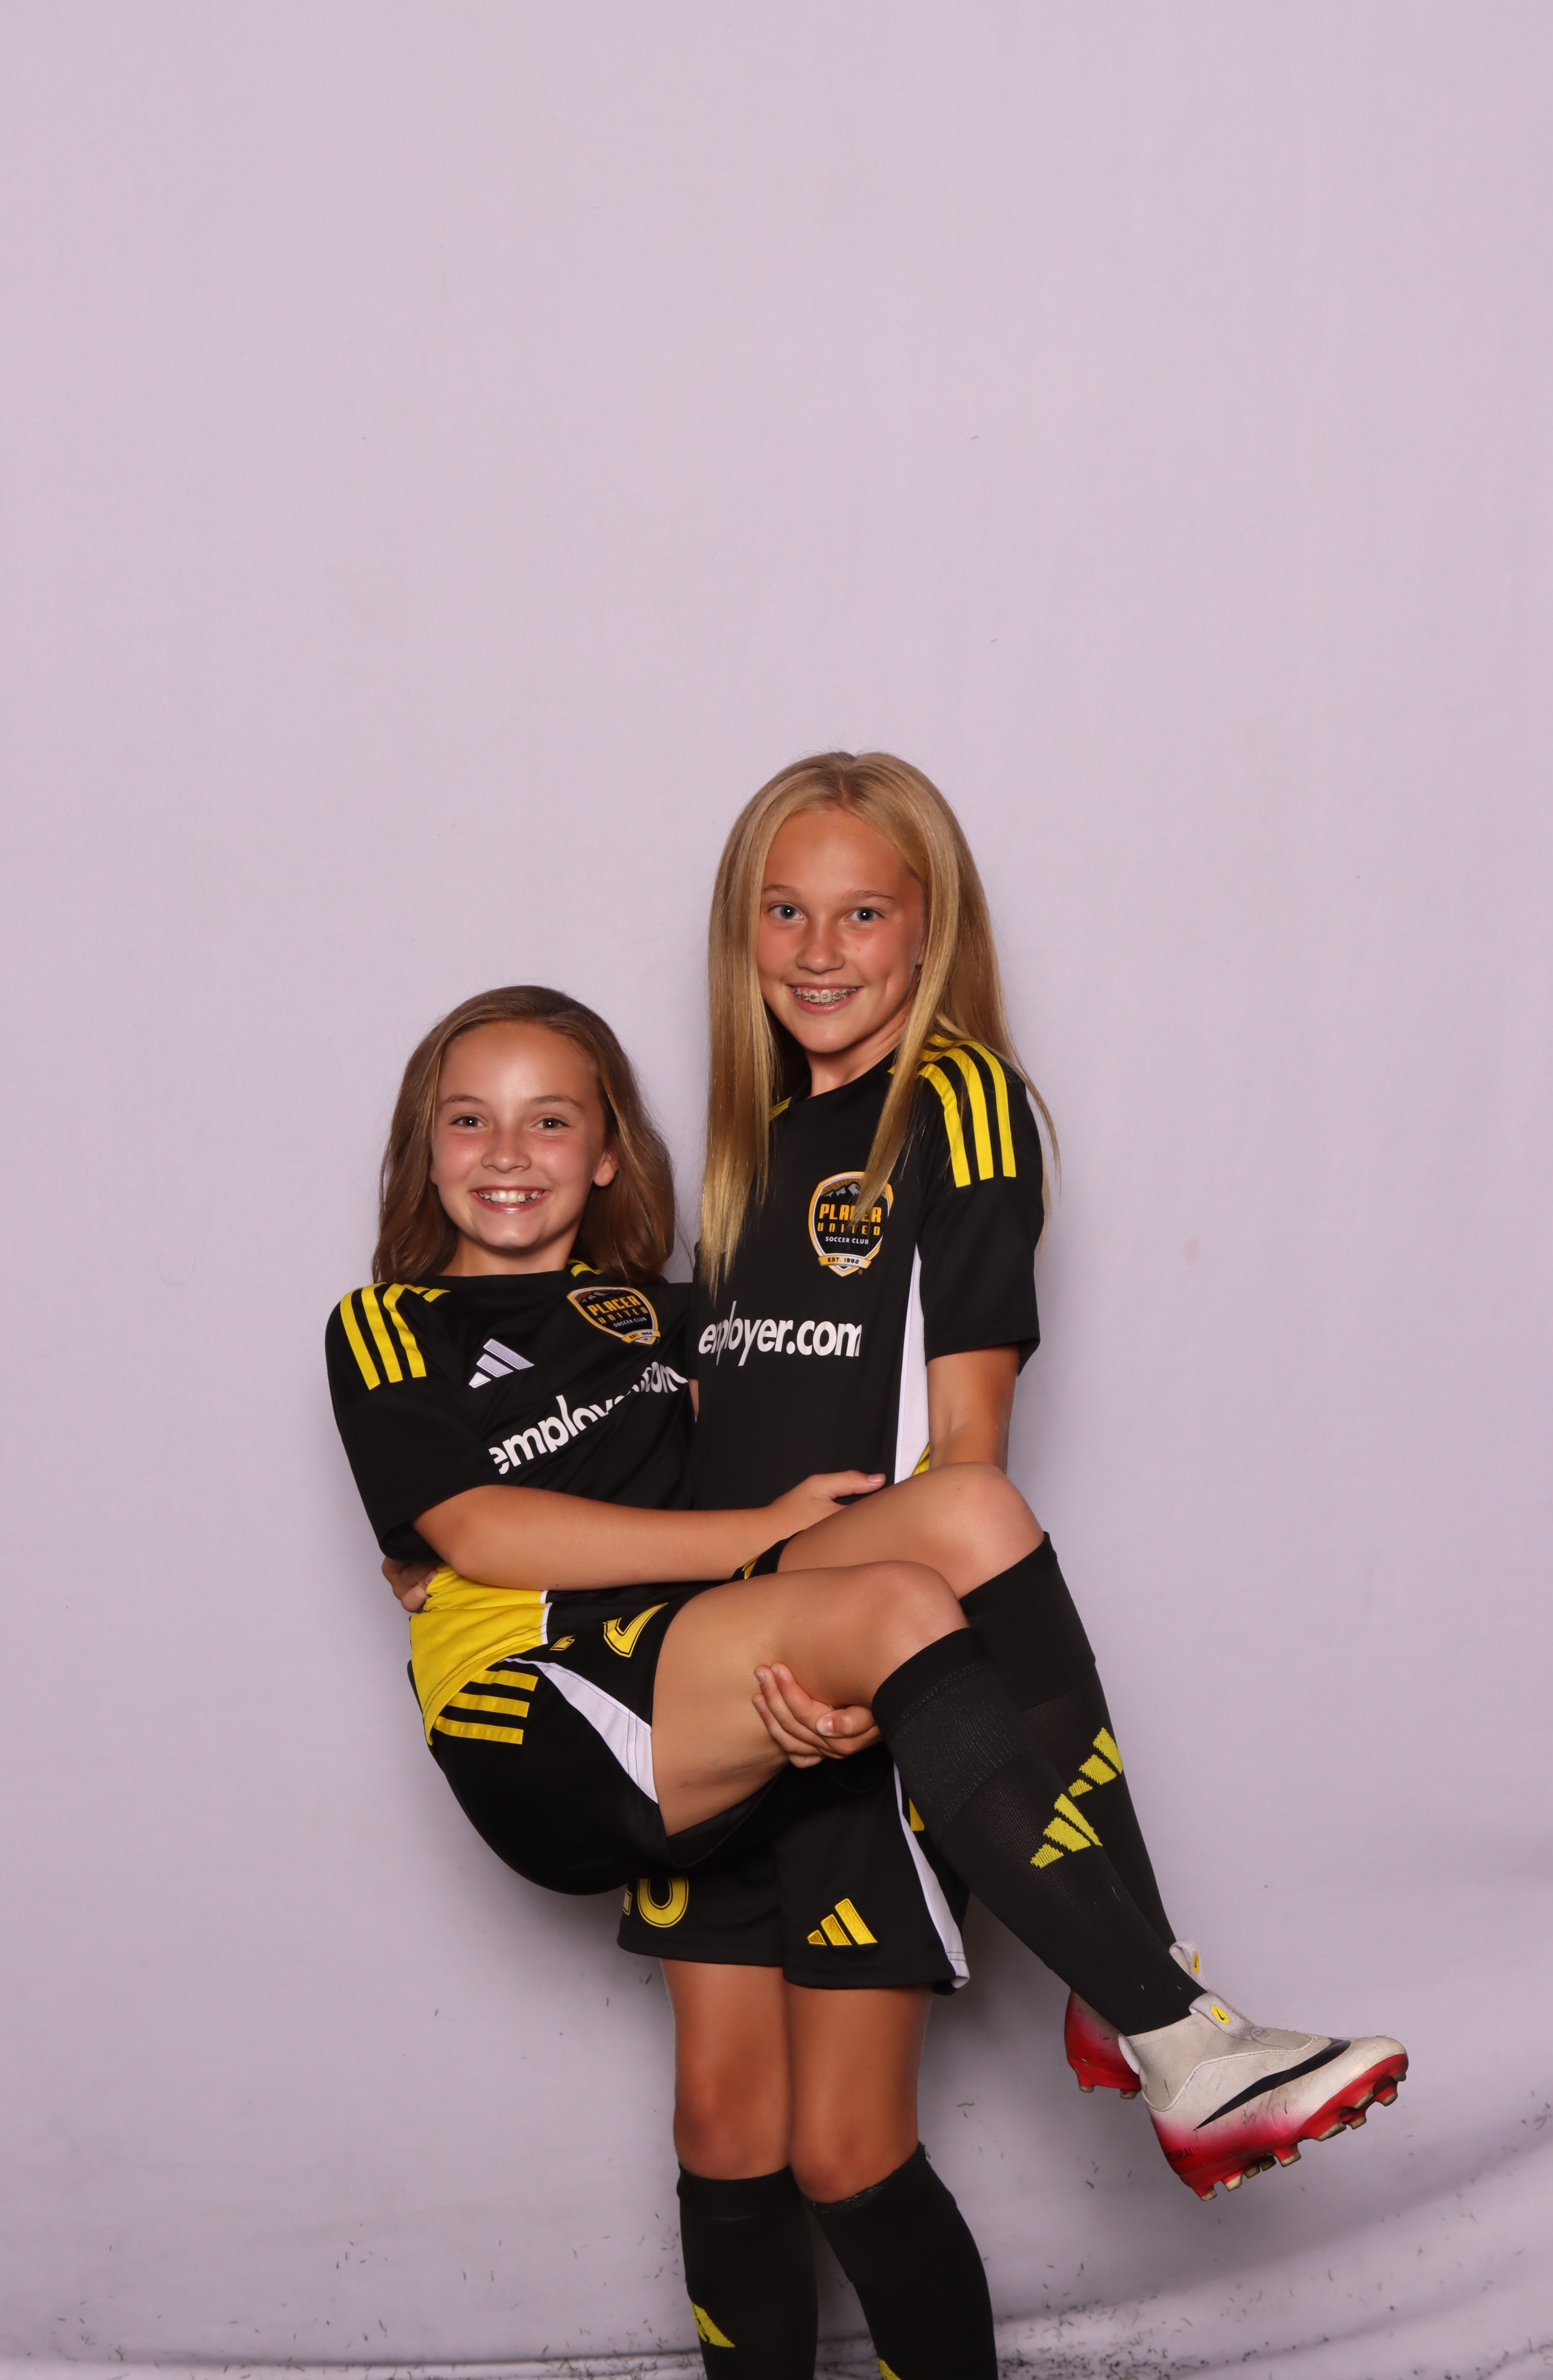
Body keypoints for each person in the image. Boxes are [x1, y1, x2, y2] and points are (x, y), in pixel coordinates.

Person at [338, 982, 1406, 2380]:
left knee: (966, 1514)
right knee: (891, 1615)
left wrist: (833, 1662)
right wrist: (764, 1542)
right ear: (422, 1151)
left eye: (551, 1121)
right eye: (468, 1121)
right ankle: (1163, 2024)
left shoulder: (666, 1317)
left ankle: (1149, 2006)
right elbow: (481, 1532)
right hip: (538, 1715)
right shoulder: (387, 1324)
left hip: (690, 1673)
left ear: (608, 1154)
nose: (507, 1152)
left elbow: (779, 1438)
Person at [612, 752, 1197, 2377]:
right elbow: (691, 1438)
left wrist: (873, 1667)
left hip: (868, 1698)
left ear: (932, 929)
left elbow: (968, 1461)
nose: (818, 951)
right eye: (783, 911)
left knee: (844, 2152)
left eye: (863, 913)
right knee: (722, 2125)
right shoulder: (744, 1150)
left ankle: (1156, 1998)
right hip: (725, 1689)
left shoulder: (959, 1102)